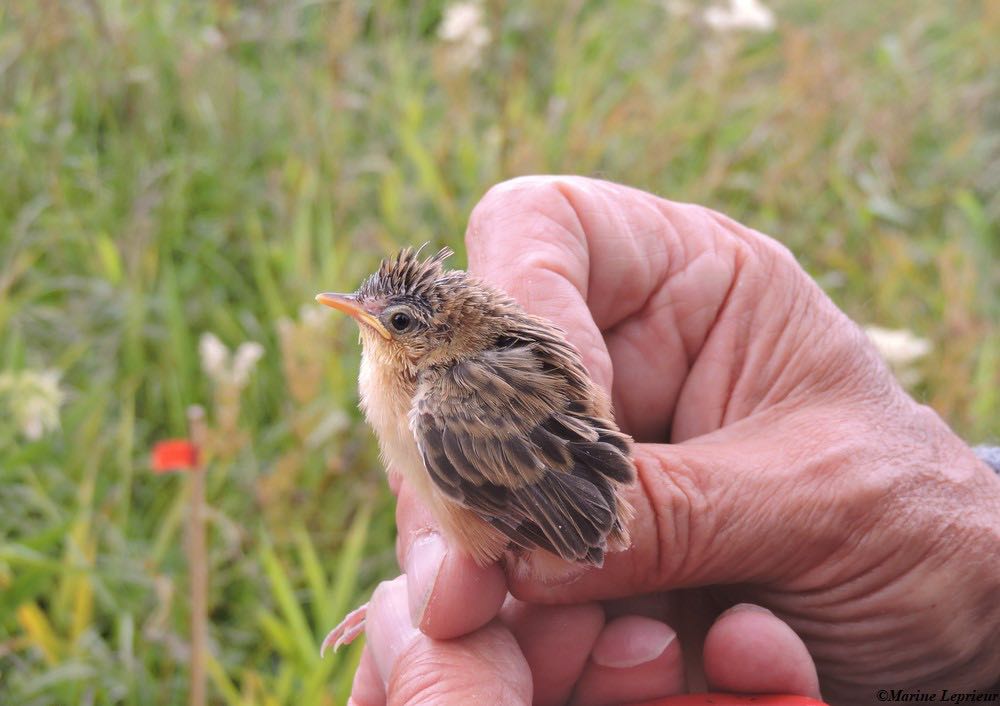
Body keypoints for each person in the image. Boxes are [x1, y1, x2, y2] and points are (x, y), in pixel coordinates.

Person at [346, 176, 1000, 706]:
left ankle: (401, 609)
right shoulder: (426, 390)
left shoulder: (443, 402)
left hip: (592, 579)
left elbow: (562, 531)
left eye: (397, 322)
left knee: (463, 609)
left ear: (434, 340)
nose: (375, 324)